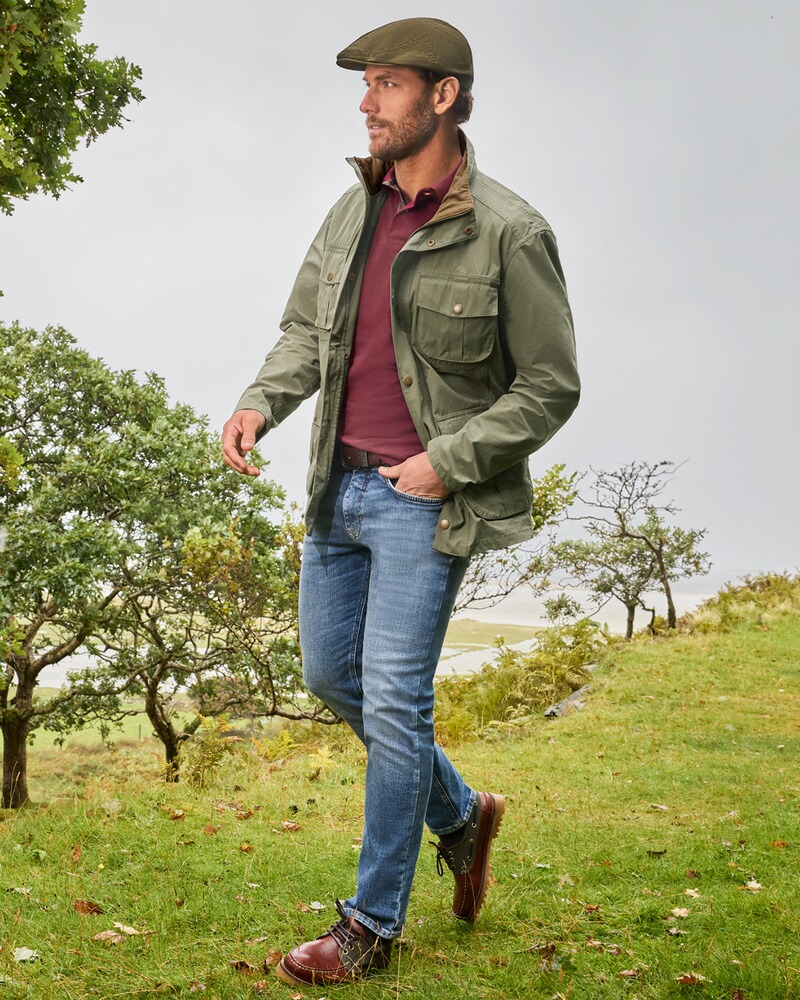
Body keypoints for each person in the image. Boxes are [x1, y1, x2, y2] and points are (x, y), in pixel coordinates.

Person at [221, 16, 580, 987]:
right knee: (333, 679)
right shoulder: (354, 211)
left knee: (392, 698)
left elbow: (548, 385)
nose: (366, 101)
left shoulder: (508, 229)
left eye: (385, 83)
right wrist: (261, 400)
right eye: (366, 84)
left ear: (443, 96)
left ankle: (368, 926)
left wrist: (446, 461)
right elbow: (306, 329)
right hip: (334, 489)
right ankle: (461, 817)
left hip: (422, 502)